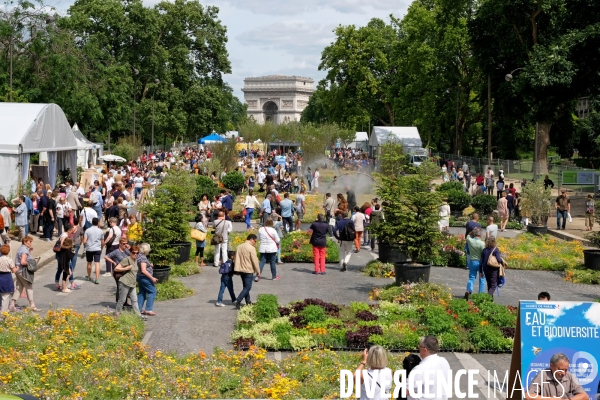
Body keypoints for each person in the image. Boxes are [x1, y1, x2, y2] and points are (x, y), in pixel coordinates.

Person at [407, 336, 451, 400]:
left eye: (419, 346)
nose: (418, 348)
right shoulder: (444, 361)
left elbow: (407, 391)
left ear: (425, 350)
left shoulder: (420, 369)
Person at [113, 245, 146, 320]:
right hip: (124, 282)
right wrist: (126, 268)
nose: (135, 254)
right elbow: (116, 268)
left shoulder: (136, 261)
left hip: (132, 283)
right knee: (122, 300)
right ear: (130, 252)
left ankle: (138, 316)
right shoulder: (127, 260)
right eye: (133, 252)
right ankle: (116, 314)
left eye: (137, 253)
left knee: (134, 300)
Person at [10, 236, 40, 311]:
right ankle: (32, 305)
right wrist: (33, 262)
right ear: (25, 242)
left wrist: (29, 252)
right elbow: (23, 262)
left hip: (18, 271)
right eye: (29, 242)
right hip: (23, 272)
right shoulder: (24, 251)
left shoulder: (21, 249)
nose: (30, 243)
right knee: (29, 287)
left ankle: (12, 304)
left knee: (19, 288)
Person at [233, 234, 260, 309]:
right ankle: (238, 300)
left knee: (245, 286)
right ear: (251, 239)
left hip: (241, 269)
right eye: (255, 241)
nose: (255, 242)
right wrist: (258, 271)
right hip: (248, 269)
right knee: (248, 287)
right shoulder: (251, 248)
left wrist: (237, 269)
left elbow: (236, 259)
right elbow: (255, 261)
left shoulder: (239, 247)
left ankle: (248, 301)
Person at [105, 237, 131, 305]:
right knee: (120, 286)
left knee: (125, 287)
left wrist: (130, 248)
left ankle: (125, 302)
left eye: (126, 243)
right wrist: (113, 262)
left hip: (126, 272)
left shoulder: (127, 251)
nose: (125, 245)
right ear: (120, 244)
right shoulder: (116, 251)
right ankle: (119, 302)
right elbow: (106, 256)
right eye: (123, 244)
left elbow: (132, 256)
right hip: (118, 272)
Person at [465, 228, 486, 301]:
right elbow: (484, 254)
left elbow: (468, 235)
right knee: (482, 279)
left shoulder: (470, 241)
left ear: (474, 234)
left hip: (472, 261)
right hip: (480, 262)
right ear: (481, 234)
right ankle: (481, 294)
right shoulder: (482, 243)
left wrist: (472, 231)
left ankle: (468, 290)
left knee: (472, 277)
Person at [137, 243, 157, 316]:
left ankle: (138, 309)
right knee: (153, 291)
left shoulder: (139, 256)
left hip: (140, 277)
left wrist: (149, 265)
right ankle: (148, 309)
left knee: (142, 292)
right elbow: (143, 270)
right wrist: (152, 278)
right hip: (144, 277)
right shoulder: (143, 258)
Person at [83, 217, 104, 284]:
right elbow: (102, 242)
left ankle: (89, 277)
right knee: (97, 263)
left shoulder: (87, 230)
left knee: (89, 263)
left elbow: (84, 241)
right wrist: (102, 247)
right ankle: (97, 279)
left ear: (92, 223)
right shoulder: (100, 231)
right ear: (98, 223)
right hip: (97, 248)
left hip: (89, 249)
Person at [0, 244, 18, 312]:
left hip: (0, 276)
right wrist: (17, 268)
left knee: (2, 295)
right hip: (6, 277)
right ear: (8, 251)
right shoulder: (9, 260)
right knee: (6, 295)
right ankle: (3, 312)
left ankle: (3, 309)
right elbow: (13, 271)